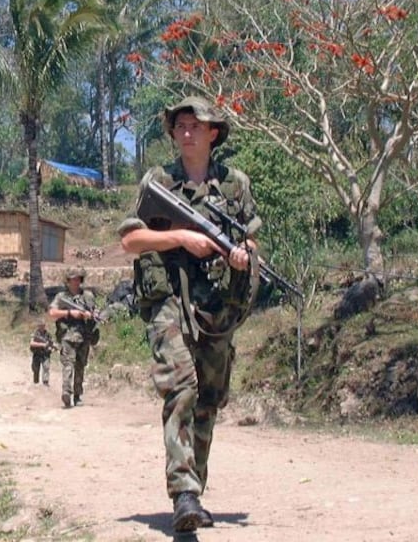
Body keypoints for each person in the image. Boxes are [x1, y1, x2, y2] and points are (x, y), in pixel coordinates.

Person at [117, 96, 261, 532]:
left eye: (195, 126)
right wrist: (180, 237)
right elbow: (130, 241)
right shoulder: (158, 181)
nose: (186, 132)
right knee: (181, 385)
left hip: (215, 305)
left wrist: (241, 256)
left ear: (213, 133)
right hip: (168, 304)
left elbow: (252, 239)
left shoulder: (235, 184)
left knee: (209, 399)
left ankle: (194, 489)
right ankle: (183, 493)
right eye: (180, 125)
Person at [47, 268, 100, 408]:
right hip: (68, 336)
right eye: (73, 279)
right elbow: (52, 313)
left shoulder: (87, 296)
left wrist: (91, 315)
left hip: (84, 336)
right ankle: (66, 392)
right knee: (68, 365)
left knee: (80, 366)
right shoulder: (61, 297)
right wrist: (70, 313)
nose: (76, 282)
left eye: (78, 279)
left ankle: (77, 395)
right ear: (68, 281)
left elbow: (94, 312)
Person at [28, 320, 54, 385]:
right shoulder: (35, 334)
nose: (42, 327)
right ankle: (36, 382)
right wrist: (42, 345)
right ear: (38, 326)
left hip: (45, 354)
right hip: (36, 353)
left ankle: (45, 382)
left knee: (46, 367)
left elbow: (51, 343)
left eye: (43, 326)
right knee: (35, 369)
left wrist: (51, 348)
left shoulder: (48, 334)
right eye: (40, 326)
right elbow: (32, 343)